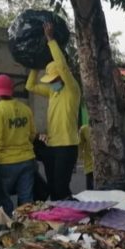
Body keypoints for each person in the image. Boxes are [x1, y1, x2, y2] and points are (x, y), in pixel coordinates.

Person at [26, 22, 80, 200]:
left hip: (67, 146)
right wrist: (35, 66)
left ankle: (73, 217)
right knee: (53, 189)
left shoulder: (72, 89)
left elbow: (62, 66)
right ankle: (59, 221)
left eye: (54, 79)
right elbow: (30, 85)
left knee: (61, 188)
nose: (51, 82)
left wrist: (50, 40)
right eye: (49, 80)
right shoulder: (52, 91)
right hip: (53, 145)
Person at [0, 74, 37, 215]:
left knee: (4, 200)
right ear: (11, 89)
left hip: (5, 162)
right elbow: (32, 133)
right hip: (27, 160)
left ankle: (9, 230)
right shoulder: (25, 109)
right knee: (26, 200)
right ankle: (27, 230)